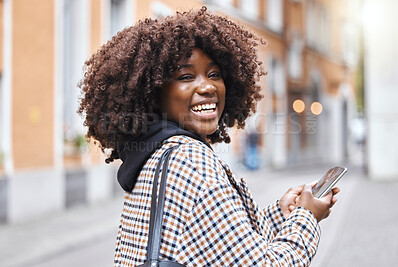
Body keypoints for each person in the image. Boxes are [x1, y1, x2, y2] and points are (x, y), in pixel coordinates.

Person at [78, 7, 339, 266]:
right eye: (186, 76)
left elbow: (219, 243)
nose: (207, 86)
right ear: (154, 92)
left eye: (215, 74)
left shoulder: (153, 154)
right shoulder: (191, 160)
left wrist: (280, 215)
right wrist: (307, 215)